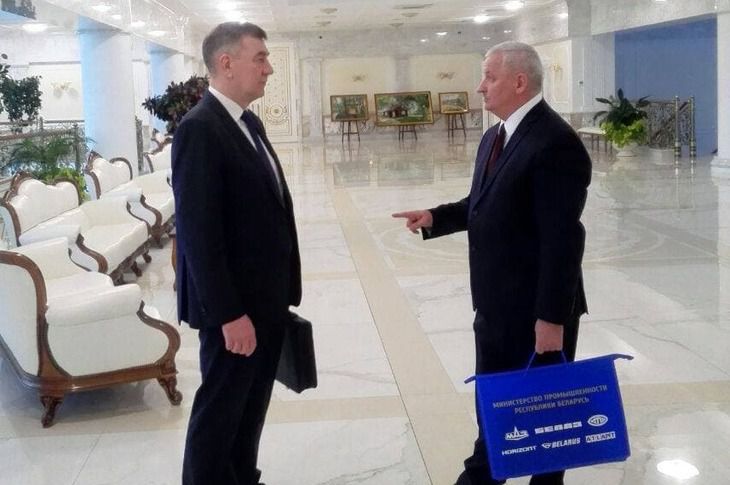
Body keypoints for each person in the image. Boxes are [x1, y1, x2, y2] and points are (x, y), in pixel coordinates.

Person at [393, 41, 591, 485]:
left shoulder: (555, 142)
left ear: (519, 82)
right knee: (496, 412)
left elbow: (563, 240)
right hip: (496, 307)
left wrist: (551, 319)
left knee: (547, 427)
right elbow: (482, 204)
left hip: (536, 314)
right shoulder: (496, 136)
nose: (480, 87)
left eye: (489, 76)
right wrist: (435, 218)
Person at [172, 22, 302, 485]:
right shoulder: (200, 128)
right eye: (260, 58)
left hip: (264, 301)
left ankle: (243, 477)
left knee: (249, 409)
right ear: (226, 63)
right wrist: (229, 314)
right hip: (234, 310)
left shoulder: (247, 122)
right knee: (220, 412)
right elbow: (199, 234)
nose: (269, 69)